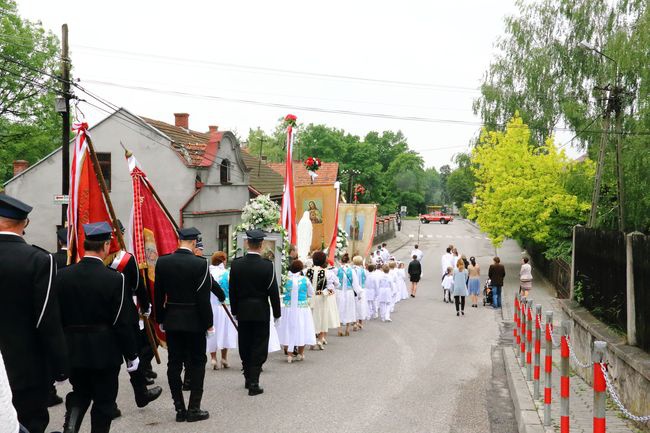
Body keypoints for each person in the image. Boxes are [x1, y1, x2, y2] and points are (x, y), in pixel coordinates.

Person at [57, 221, 139, 433]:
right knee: (104, 401)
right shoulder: (115, 279)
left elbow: (57, 316)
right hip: (105, 350)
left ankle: (71, 426)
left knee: (79, 392)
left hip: (73, 348)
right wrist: (131, 353)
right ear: (105, 246)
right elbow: (121, 322)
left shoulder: (63, 275)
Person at [0, 194, 68, 433]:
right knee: (30, 423)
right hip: (25, 366)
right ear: (24, 224)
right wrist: (60, 364)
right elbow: (46, 319)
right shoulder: (39, 260)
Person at [154, 227, 214, 422]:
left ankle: (179, 408)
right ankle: (193, 408)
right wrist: (209, 324)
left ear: (179, 240)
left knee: (174, 363)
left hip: (172, 318)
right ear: (195, 242)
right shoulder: (201, 264)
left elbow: (158, 294)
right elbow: (203, 299)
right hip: (195, 320)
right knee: (197, 363)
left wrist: (161, 318)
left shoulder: (163, 262)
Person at [229, 229, 281, 396]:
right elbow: (273, 291)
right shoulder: (267, 266)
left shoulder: (236, 264)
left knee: (245, 342)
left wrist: (234, 310)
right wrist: (277, 313)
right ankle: (254, 381)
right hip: (260, 310)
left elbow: (233, 290)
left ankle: (247, 376)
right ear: (261, 245)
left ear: (247, 244)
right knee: (259, 344)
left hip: (243, 310)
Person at [277, 260, 316, 363]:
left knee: (287, 328)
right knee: (301, 328)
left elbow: (280, 292)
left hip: (288, 308)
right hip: (301, 308)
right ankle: (300, 353)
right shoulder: (305, 280)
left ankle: (289, 354)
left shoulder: (285, 280)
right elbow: (311, 293)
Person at [207, 252, 237, 370]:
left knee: (212, 331)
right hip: (225, 306)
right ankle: (224, 357)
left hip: (211, 306)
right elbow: (232, 289)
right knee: (225, 331)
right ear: (223, 261)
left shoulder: (208, 272)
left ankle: (213, 358)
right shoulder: (227, 273)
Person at [305, 251, 340, 349]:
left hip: (308, 298)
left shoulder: (305, 271)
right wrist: (326, 292)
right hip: (321, 298)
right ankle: (320, 339)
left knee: (310, 318)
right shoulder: (328, 273)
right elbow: (334, 286)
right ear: (324, 260)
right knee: (321, 318)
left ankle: (311, 340)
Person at [336, 254, 358, 336]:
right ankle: (347, 329)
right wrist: (359, 293)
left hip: (340, 291)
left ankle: (339, 329)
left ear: (341, 261)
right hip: (349, 292)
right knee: (349, 308)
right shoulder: (351, 270)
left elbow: (335, 282)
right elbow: (355, 283)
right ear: (349, 261)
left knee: (339, 308)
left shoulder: (338, 270)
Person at [352, 256, 368, 330]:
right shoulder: (363, 270)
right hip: (362, 289)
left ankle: (355, 322)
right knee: (361, 306)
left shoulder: (351, 270)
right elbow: (366, 279)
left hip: (353, 290)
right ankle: (360, 322)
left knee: (354, 306)